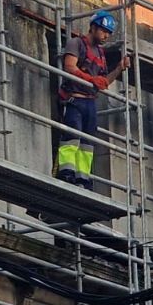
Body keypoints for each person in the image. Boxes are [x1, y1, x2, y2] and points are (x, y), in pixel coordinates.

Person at [56, 10, 128, 189]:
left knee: (87, 144)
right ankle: (66, 173)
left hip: (90, 102)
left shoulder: (101, 54)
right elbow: (69, 67)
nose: (106, 35)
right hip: (75, 100)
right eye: (103, 31)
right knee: (71, 138)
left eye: (109, 33)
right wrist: (91, 80)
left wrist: (119, 69)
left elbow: (103, 83)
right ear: (93, 27)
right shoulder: (76, 43)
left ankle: (83, 178)